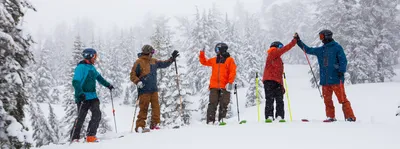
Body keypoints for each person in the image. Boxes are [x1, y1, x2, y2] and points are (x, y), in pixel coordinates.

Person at [296, 29, 356, 122]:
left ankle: (350, 117)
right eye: (320, 37)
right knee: (327, 101)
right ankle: (330, 117)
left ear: (327, 36)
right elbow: (308, 50)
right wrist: (298, 42)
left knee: (342, 99)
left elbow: (343, 60)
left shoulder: (337, 47)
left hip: (336, 79)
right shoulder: (321, 50)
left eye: (322, 36)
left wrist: (341, 70)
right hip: (325, 81)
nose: (321, 39)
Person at [130, 45, 179, 133]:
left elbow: (164, 64)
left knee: (156, 108)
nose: (153, 54)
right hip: (144, 90)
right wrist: (138, 82)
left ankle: (155, 124)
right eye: (152, 52)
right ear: (148, 52)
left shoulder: (153, 61)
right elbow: (132, 75)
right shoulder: (139, 62)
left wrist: (172, 58)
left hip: (153, 89)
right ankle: (140, 127)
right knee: (144, 108)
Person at [71, 48, 114, 142]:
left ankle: (90, 135)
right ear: (89, 56)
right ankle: (74, 138)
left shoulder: (92, 67)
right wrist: (80, 93)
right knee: (81, 118)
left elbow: (99, 78)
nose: (95, 58)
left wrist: (108, 85)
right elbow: (75, 82)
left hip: (93, 96)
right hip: (83, 97)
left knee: (97, 114)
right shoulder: (80, 68)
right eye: (94, 56)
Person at [262, 34, 298, 123]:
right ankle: (269, 116)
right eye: (280, 47)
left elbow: (279, 74)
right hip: (270, 80)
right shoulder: (273, 52)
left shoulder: (278, 58)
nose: (281, 48)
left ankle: (279, 116)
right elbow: (285, 49)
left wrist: (282, 86)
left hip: (276, 81)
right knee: (270, 99)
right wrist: (293, 42)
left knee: (279, 100)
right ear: (276, 47)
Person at [199, 43, 237, 125]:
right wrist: (202, 53)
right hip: (214, 86)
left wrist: (230, 82)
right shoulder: (214, 60)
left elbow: (232, 71)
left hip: (225, 86)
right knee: (212, 104)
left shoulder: (229, 60)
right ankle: (210, 121)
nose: (216, 51)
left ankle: (222, 120)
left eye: (217, 49)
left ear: (222, 49)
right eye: (215, 49)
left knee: (224, 104)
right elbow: (204, 62)